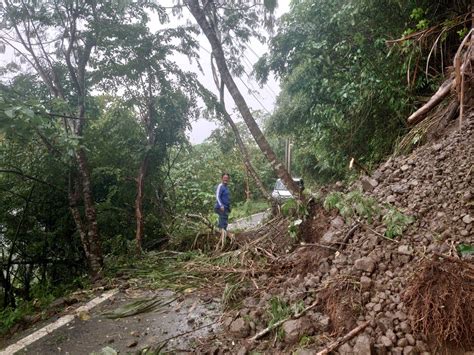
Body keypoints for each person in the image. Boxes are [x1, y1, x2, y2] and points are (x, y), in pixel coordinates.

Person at [215, 173, 231, 249]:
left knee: (225, 221)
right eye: (224, 177)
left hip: (226, 208)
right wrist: (221, 205)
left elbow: (227, 198)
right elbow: (217, 196)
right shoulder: (220, 186)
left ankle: (223, 236)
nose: (226, 179)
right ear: (222, 178)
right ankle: (221, 238)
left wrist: (228, 207)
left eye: (227, 178)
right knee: (223, 222)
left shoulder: (226, 187)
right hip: (220, 207)